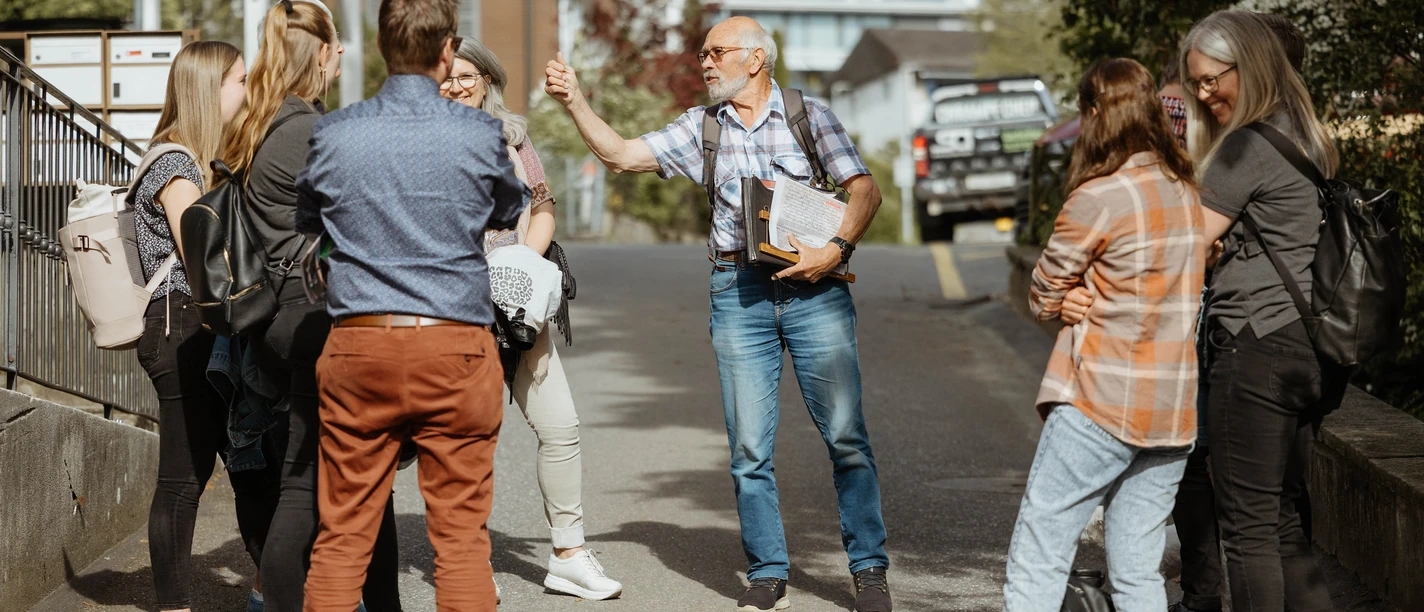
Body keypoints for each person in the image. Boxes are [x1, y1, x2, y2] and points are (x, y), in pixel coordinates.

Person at [545, 16, 891, 612]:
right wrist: (575, 100)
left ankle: (869, 570)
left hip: (817, 292)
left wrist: (834, 251)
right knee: (748, 448)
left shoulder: (810, 115)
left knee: (846, 438)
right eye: (703, 53)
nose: (703, 62)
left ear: (754, 59)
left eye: (716, 52)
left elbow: (864, 189)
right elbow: (623, 156)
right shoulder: (702, 126)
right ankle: (768, 573)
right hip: (738, 292)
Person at [294, 0, 527, 607]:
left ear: (380, 47)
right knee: (461, 541)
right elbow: (507, 210)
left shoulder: (335, 132)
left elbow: (309, 218)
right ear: (447, 49)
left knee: (342, 535)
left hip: (358, 344)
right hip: (455, 345)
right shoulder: (478, 132)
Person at [1001, 57, 1205, 611]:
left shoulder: (1098, 197)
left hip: (1102, 401)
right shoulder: (1186, 191)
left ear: (1094, 113)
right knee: (1139, 573)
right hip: (1173, 410)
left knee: (1040, 551)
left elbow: (1042, 291)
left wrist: (1069, 296)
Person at [218, 1, 400, 610]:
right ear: (322, 53)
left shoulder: (265, 121)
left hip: (285, 319)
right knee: (312, 489)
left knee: (330, 481)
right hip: (317, 318)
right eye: (336, 47)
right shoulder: (305, 130)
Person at [440, 37, 623, 601]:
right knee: (469, 440)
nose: (457, 85)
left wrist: (521, 261)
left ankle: (568, 553)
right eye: (448, 76)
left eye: (468, 75)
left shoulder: (513, 138)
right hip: (458, 311)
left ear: (489, 79)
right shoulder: (427, 138)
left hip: (518, 306)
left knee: (560, 427)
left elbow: (541, 208)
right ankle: (468, 563)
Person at [1179, 10, 1348, 612]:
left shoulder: (1248, 144)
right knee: (1280, 522)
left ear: (1248, 67)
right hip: (1307, 345)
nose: (1203, 94)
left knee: (1247, 528)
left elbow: (1186, 244)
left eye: (1211, 80)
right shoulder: (1304, 129)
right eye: (1194, 82)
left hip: (1254, 344)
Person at [134, 40, 283, 612]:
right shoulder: (175, 166)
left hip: (195, 331)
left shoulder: (189, 160)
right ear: (208, 88)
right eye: (240, 81)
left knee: (247, 464)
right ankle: (174, 605)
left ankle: (274, 588)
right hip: (181, 329)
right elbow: (207, 256)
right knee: (183, 476)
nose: (246, 92)